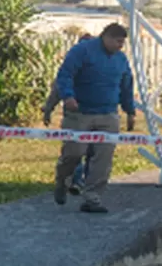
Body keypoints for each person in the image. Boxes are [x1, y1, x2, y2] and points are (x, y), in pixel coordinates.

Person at [52, 24, 136, 213]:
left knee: (103, 158)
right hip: (80, 113)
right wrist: (67, 96)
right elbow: (65, 75)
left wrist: (129, 111)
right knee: (74, 153)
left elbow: (126, 85)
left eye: (123, 43)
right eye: (117, 41)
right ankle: (63, 180)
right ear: (105, 37)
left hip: (108, 114)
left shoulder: (121, 60)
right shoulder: (82, 51)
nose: (120, 46)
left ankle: (92, 197)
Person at [44, 33, 95, 195]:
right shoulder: (71, 68)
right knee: (77, 151)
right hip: (75, 117)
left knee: (90, 152)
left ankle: (81, 181)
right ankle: (76, 180)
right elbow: (57, 90)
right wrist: (48, 109)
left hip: (94, 116)